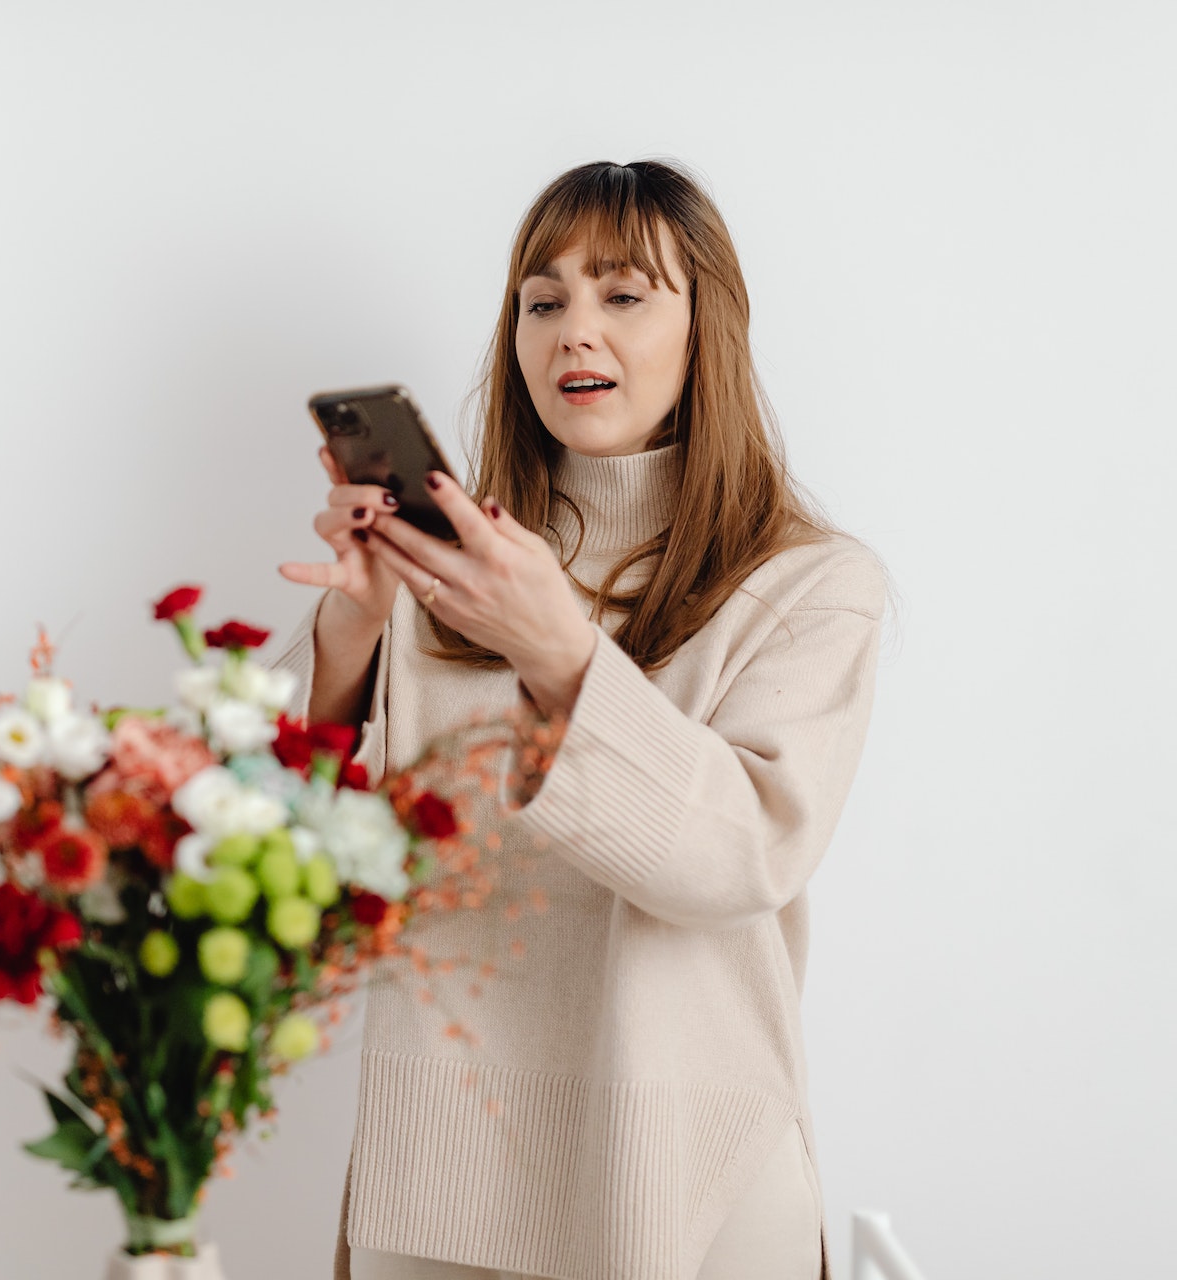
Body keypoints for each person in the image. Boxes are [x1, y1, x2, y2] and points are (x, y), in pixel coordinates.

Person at [271, 159, 887, 1280]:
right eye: (542, 301)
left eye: (623, 293)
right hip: (439, 1170)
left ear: (710, 327)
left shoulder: (810, 584)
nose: (573, 332)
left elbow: (741, 853)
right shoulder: (453, 575)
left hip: (690, 1178)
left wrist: (559, 650)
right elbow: (281, 860)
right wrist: (353, 631)